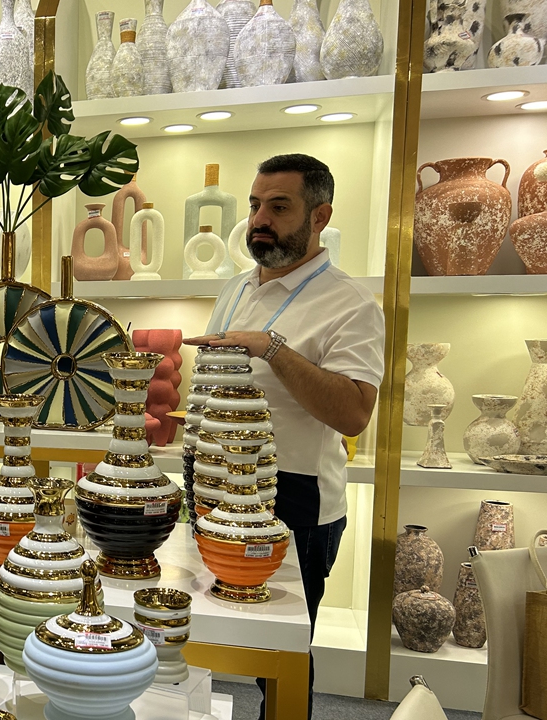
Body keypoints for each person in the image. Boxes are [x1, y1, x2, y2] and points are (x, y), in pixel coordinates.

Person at [184, 154, 385, 720]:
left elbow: (354, 413)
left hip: (293, 495)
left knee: (282, 646)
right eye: (255, 205)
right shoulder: (236, 287)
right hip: (211, 483)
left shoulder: (351, 303)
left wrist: (271, 347)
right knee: (209, 625)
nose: (259, 220)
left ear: (319, 217)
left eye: (278, 207)